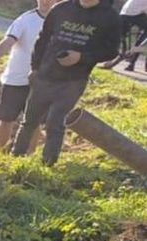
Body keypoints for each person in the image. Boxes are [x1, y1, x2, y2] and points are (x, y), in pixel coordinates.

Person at [11, 0, 120, 165]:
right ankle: (15, 159)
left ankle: (47, 164)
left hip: (74, 80)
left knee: (55, 122)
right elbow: (42, 39)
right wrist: (35, 68)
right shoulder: (61, 8)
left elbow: (111, 51)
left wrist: (81, 57)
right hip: (45, 75)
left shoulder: (110, 17)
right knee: (29, 120)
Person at [0, 0, 55, 149]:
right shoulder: (25, 19)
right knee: (6, 119)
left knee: (34, 123)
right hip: (16, 79)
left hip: (41, 82)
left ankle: (27, 159)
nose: (46, 1)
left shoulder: (60, 22)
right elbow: (8, 41)